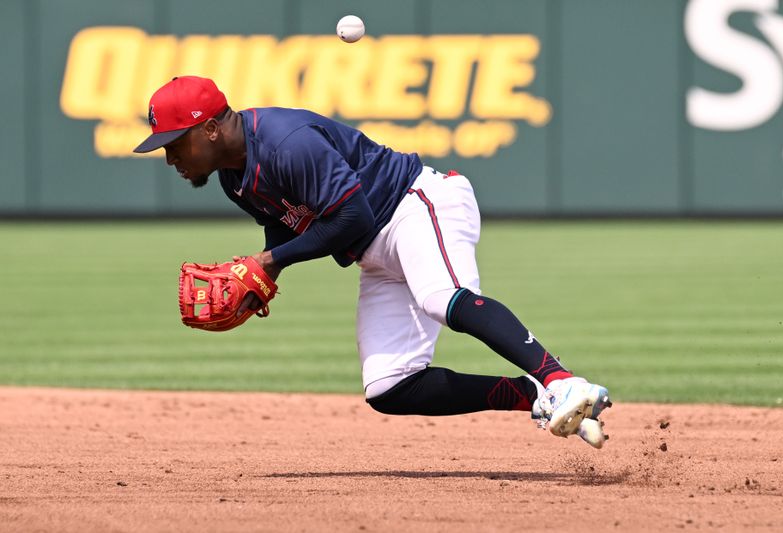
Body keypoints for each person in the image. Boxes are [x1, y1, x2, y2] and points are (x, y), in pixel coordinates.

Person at [134, 76, 612, 448]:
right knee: (389, 387)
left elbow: (350, 215)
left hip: (415, 204)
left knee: (440, 298)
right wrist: (264, 267)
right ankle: (539, 397)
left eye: (176, 144)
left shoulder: (286, 142)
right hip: (373, 249)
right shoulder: (233, 179)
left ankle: (562, 379)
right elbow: (290, 227)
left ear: (211, 128)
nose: (171, 157)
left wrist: (269, 260)